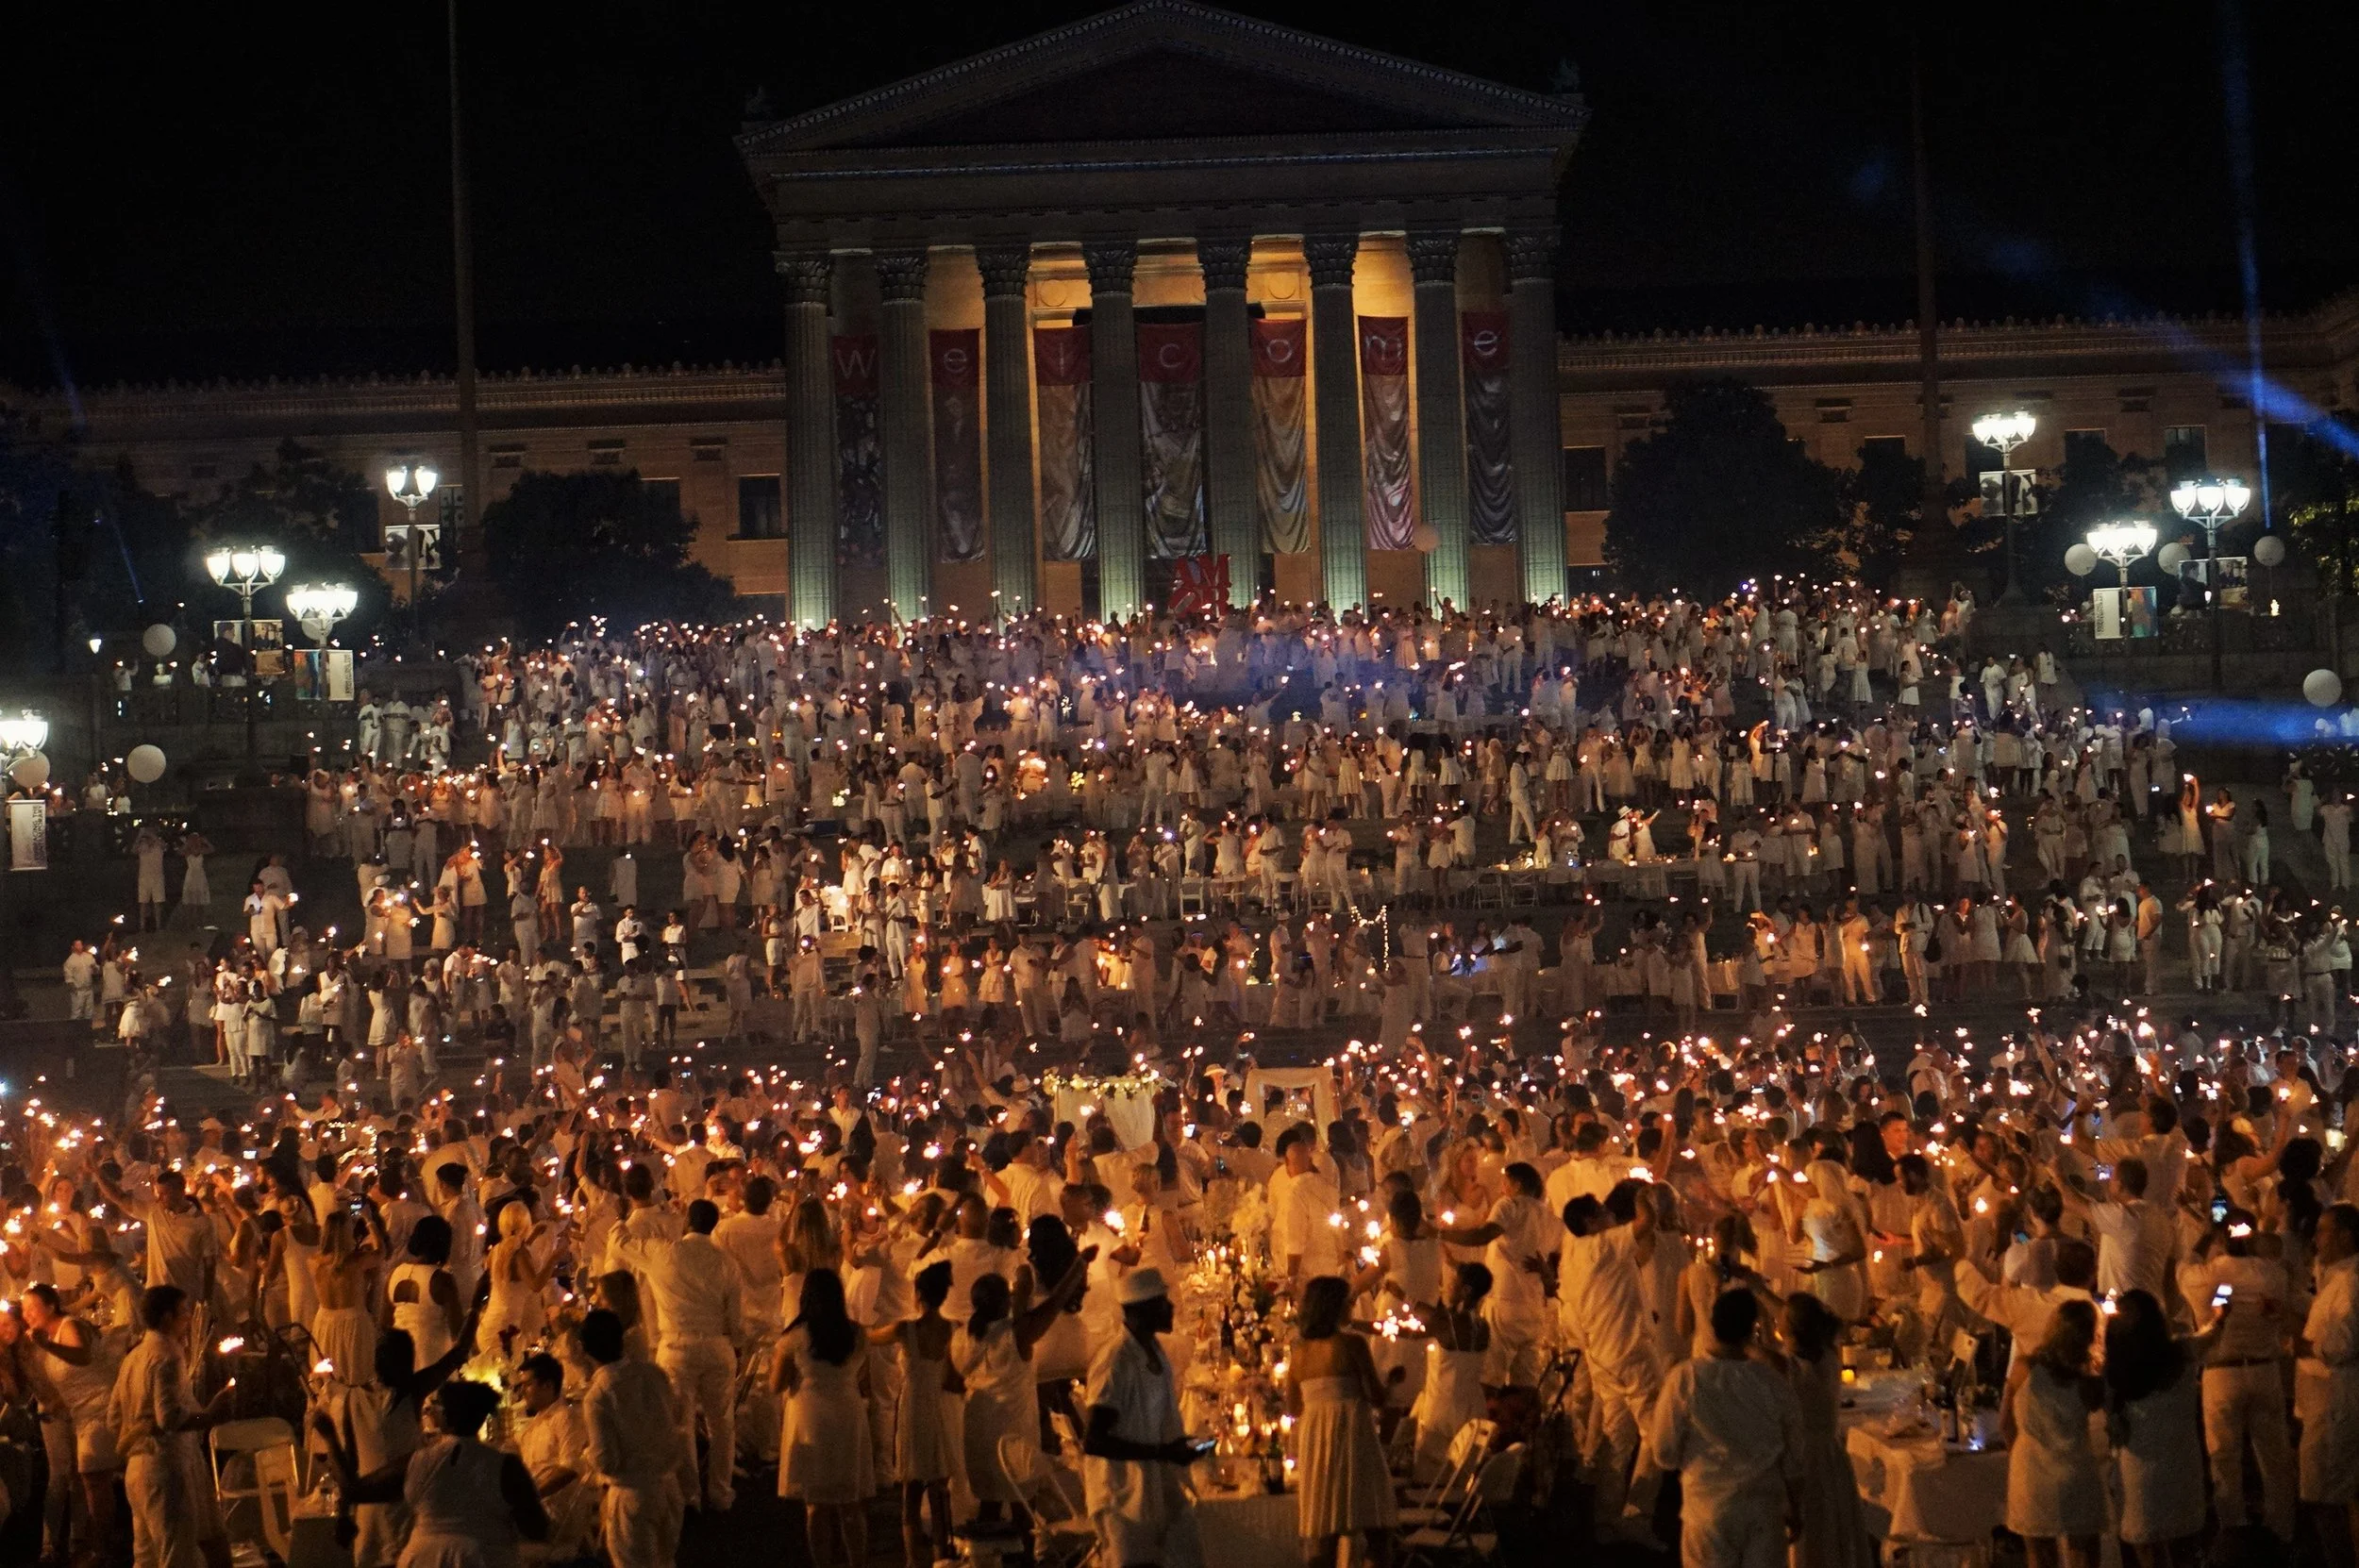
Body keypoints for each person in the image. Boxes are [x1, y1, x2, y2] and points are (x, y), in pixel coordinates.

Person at [1648, 1288, 1807, 1568]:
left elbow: (1663, 1453)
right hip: (1764, 1509)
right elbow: (1794, 1455)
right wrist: (1795, 1504)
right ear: (1752, 1328)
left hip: (1707, 1508)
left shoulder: (1685, 1379)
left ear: (1712, 1324)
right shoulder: (1772, 1383)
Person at [1081, 1266, 1206, 1568]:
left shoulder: (1153, 1350)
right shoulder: (1116, 1361)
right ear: (1141, 1310)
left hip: (1156, 1484)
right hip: (1121, 1493)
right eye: (1162, 1302)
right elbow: (1096, 1440)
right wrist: (1162, 1452)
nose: (1171, 1307)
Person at [109, 1285, 233, 1568]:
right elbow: (169, 1418)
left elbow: (114, 1416)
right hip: (166, 1470)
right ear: (167, 1318)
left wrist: (134, 1437)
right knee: (176, 1557)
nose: (189, 1317)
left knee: (146, 1558)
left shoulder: (133, 1357)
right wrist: (211, 1414)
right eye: (184, 1311)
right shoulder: (167, 1356)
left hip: (136, 1471)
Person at [1286, 1275, 1397, 1568]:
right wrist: (1391, 1384)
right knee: (1376, 1526)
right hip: (1352, 1434)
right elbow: (1376, 1396)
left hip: (1317, 1439)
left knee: (1326, 1529)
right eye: (1347, 1301)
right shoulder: (1352, 1344)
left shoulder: (1299, 1352)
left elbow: (1293, 1406)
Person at [774, 1267, 875, 1568]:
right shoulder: (857, 1334)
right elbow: (865, 1382)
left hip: (809, 1416)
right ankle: (858, 1562)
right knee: (850, 1503)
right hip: (848, 1412)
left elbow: (776, 1384)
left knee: (816, 1505)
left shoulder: (794, 1338)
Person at [2102, 1289, 2208, 1568]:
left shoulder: (2114, 1374)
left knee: (2149, 1552)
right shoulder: (2182, 1355)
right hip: (2182, 1467)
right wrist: (2220, 1317)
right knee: (2186, 1548)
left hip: (2138, 1475)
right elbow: (2210, 1337)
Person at [868, 1259, 963, 1568]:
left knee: (911, 1490)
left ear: (917, 1295)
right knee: (938, 1490)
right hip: (941, 1410)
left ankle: (912, 1560)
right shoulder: (953, 1330)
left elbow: (867, 1336)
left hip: (913, 1410)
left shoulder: (903, 1329)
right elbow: (953, 1379)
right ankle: (940, 1556)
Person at [2000, 1299, 2106, 1568]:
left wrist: (2021, 1455)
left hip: (2032, 1475)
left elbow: (2005, 1423)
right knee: (2084, 1557)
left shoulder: (2023, 1369)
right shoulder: (2088, 1383)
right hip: (2075, 1473)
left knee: (2040, 1557)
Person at [1773, 1293, 1872, 1568]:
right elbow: (1788, 1313)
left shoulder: (1788, 1367)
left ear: (1792, 1328)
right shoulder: (1828, 1355)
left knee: (1812, 1530)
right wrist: (1757, 1287)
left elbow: (1757, 1351)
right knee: (1834, 1525)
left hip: (1804, 1459)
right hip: (1831, 1455)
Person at [580, 1308, 684, 1568]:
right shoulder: (653, 1373)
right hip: (670, 1486)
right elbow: (676, 1415)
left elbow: (607, 1462)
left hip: (632, 1495)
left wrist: (586, 1453)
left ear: (585, 1349)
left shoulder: (598, 1396)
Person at [2299, 1203, 2359, 1564]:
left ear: (2345, 1236)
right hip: (2327, 1400)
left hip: (2338, 1401)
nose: (2316, 1238)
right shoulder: (2336, 1274)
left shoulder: (2352, 1282)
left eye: (2323, 1231)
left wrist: (2301, 1341)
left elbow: (2343, 1344)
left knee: (2328, 1496)